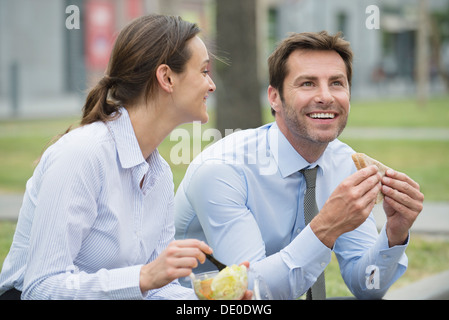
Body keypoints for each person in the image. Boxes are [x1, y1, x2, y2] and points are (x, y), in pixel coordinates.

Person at [0, 14, 250, 300]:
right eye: (204, 71)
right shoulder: (82, 154)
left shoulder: (160, 174)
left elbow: (159, 288)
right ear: (167, 77)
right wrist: (143, 277)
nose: (211, 85)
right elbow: (41, 288)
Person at [174, 31, 424, 300]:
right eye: (307, 83)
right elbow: (252, 293)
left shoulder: (345, 165)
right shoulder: (223, 170)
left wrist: (394, 236)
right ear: (274, 98)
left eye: (337, 83)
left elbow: (368, 286)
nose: (326, 96)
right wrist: (325, 228)